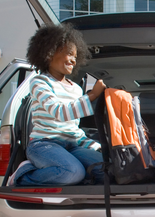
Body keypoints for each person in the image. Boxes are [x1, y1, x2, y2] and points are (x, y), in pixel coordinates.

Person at [10, 23, 108, 187]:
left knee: (108, 168)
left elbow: (72, 129)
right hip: (45, 145)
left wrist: (98, 148)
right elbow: (60, 112)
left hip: (72, 146)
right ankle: (24, 175)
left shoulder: (76, 89)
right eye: (69, 54)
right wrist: (93, 94)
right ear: (49, 53)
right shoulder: (40, 82)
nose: (73, 59)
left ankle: (76, 177)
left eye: (76, 56)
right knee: (72, 172)